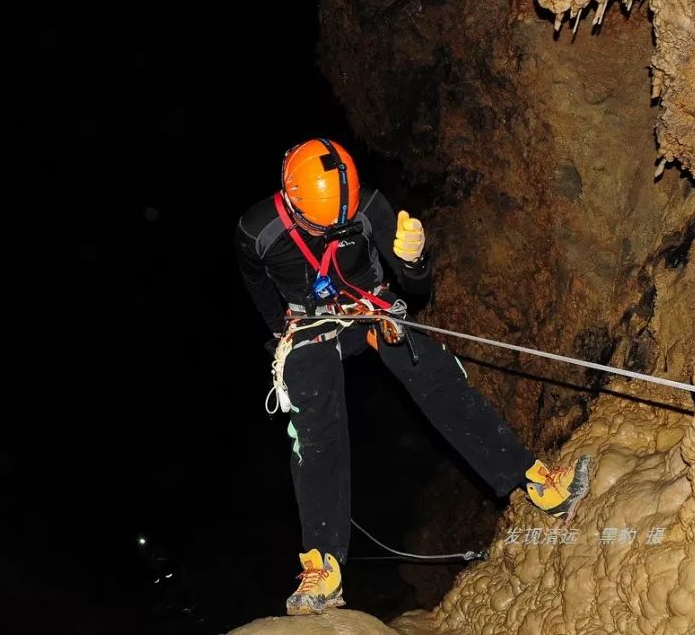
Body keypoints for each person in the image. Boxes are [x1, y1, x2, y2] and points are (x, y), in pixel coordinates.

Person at [234, 138, 591, 616]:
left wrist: (414, 261)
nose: (336, 231)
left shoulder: (367, 207)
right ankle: (323, 566)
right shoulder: (256, 231)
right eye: (324, 226)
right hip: (310, 324)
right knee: (316, 419)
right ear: (293, 204)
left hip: (371, 309)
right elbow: (258, 288)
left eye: (342, 223)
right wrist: (283, 331)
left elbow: (416, 287)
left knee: (437, 375)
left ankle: (538, 481)